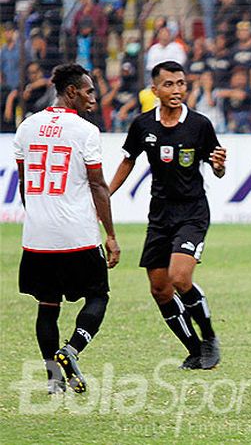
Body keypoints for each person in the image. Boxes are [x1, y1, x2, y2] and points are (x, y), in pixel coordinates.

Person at [109, 61, 227, 370]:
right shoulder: (143, 125)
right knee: (160, 289)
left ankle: (210, 337)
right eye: (169, 84)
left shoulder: (199, 125)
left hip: (192, 212)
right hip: (160, 215)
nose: (176, 90)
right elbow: (128, 161)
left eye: (181, 84)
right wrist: (105, 194)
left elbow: (217, 168)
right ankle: (195, 349)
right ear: (155, 90)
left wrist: (219, 166)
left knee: (179, 277)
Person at [13, 63, 120, 394]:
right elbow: (98, 185)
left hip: (37, 237)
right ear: (71, 91)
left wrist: (38, 217)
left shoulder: (27, 127)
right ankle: (70, 350)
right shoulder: (85, 131)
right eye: (88, 91)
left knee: (47, 306)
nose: (93, 96)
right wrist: (111, 235)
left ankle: (53, 380)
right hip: (77, 234)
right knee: (98, 296)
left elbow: (24, 183)